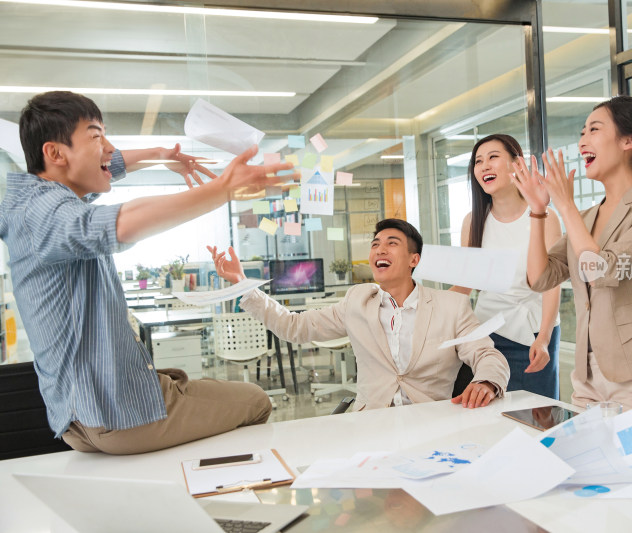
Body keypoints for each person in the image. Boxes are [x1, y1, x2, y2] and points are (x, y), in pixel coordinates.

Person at [0, 91, 299, 454]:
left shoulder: (37, 203)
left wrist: (161, 156)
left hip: (82, 417)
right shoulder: (46, 212)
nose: (108, 147)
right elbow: (118, 224)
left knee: (193, 388)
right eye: (96, 136)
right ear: (55, 153)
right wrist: (222, 189)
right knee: (255, 401)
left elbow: (108, 168)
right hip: (118, 415)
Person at [208, 218, 510, 410]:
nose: (380, 250)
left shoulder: (451, 306)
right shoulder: (357, 301)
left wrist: (486, 382)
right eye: (375, 245)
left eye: (392, 244)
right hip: (371, 424)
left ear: (413, 259)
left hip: (429, 421)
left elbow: (487, 356)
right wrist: (242, 285)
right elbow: (294, 327)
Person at [514, 95, 632, 430]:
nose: (582, 140)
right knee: (589, 475)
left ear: (629, 140)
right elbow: (540, 278)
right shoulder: (586, 218)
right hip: (587, 378)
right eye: (582, 132)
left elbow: (601, 271)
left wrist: (565, 205)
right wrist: (538, 210)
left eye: (594, 129)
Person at [450, 134, 563, 399]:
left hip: (535, 333)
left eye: (493, 157)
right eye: (478, 162)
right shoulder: (473, 220)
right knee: (487, 415)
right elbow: (466, 284)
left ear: (516, 164)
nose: (484, 166)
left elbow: (552, 285)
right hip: (486, 334)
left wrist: (545, 337)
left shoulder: (544, 216)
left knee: (536, 414)